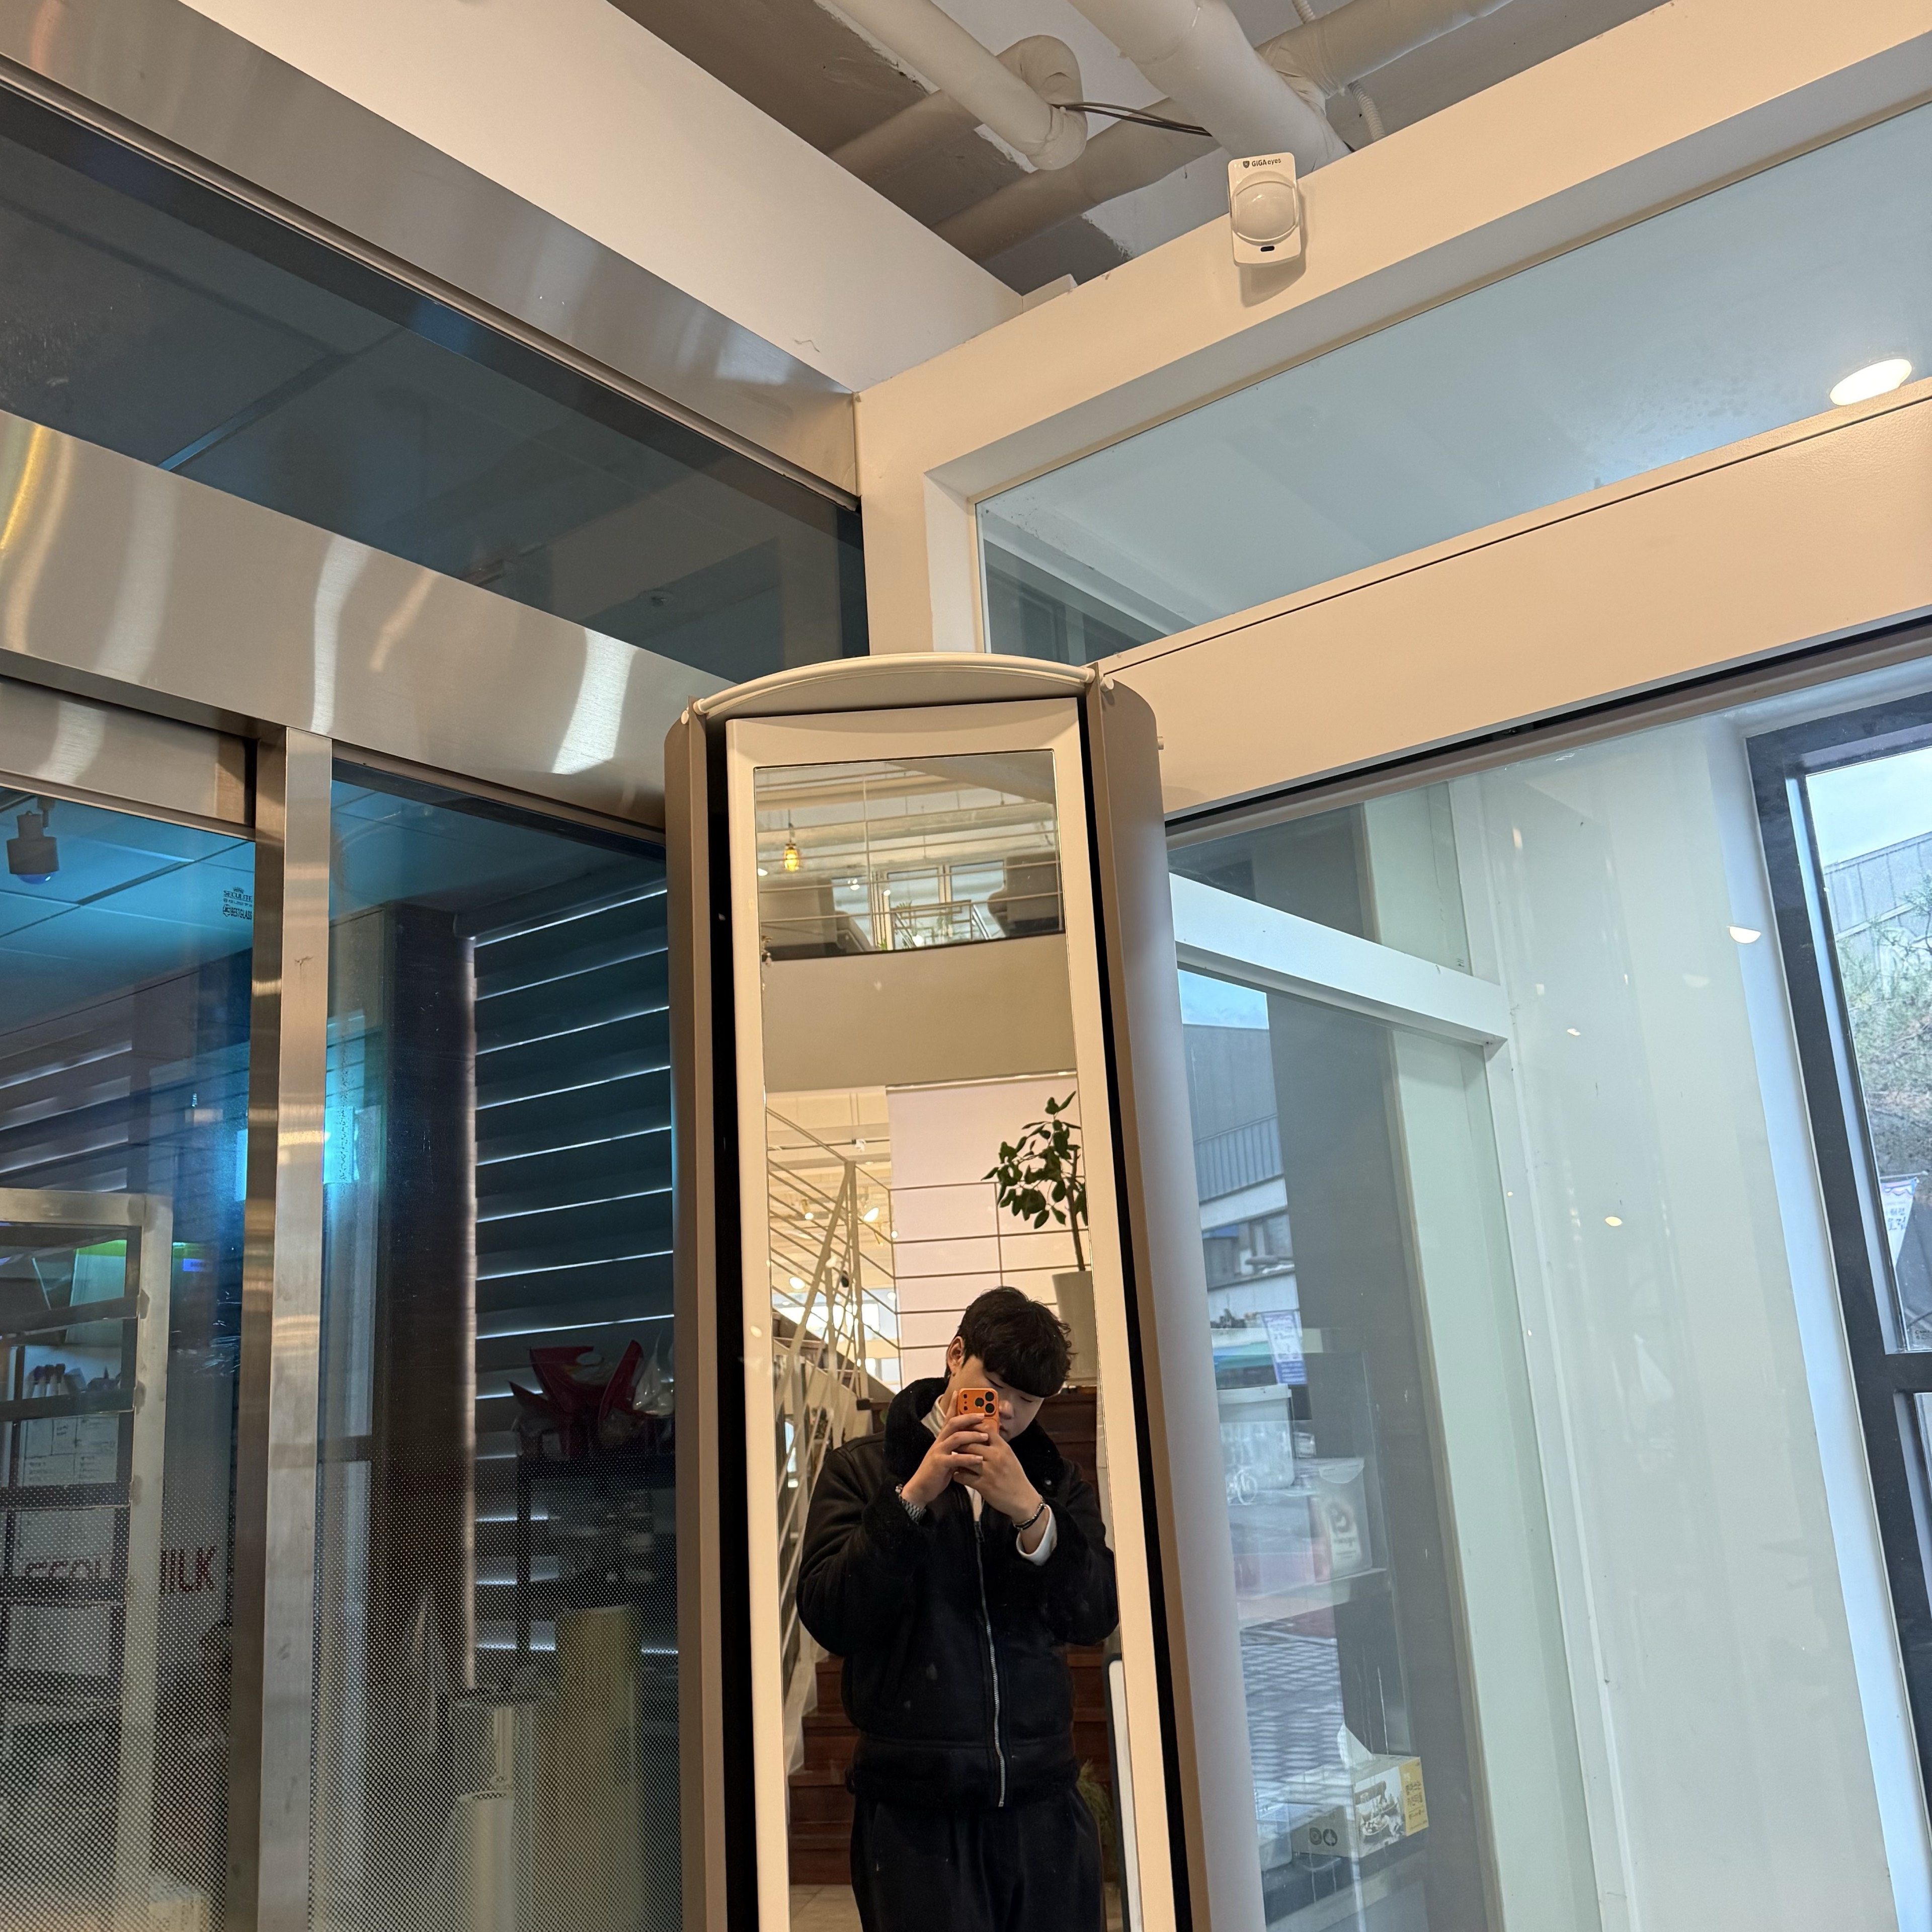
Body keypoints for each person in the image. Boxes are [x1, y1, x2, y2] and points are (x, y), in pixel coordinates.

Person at [798, 1285, 1118, 1932]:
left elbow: (1094, 1614)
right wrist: (914, 1496)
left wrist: (1031, 1514)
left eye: (1030, 1400)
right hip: (915, 1812)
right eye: (995, 1388)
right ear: (955, 1355)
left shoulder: (1053, 1482)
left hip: (1043, 1803)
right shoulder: (862, 1470)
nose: (1010, 1411)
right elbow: (831, 1614)